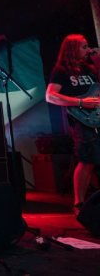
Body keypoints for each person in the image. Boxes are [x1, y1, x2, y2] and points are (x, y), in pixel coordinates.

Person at [45, 34, 100, 214]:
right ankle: (79, 203)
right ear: (73, 49)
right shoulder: (61, 71)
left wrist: (97, 59)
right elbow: (50, 96)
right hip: (81, 120)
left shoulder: (89, 68)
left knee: (93, 160)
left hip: (97, 116)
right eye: (84, 46)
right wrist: (80, 102)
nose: (88, 49)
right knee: (87, 161)